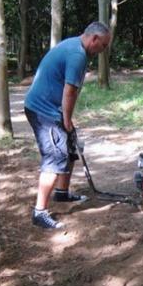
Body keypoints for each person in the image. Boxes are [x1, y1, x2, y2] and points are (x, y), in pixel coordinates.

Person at [24, 21, 112, 230]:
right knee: (55, 156)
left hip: (48, 107)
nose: (103, 51)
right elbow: (70, 91)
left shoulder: (75, 45)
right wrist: (66, 120)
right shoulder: (77, 55)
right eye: (103, 46)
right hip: (43, 110)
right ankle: (40, 213)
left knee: (69, 146)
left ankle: (62, 194)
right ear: (94, 39)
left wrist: (67, 123)